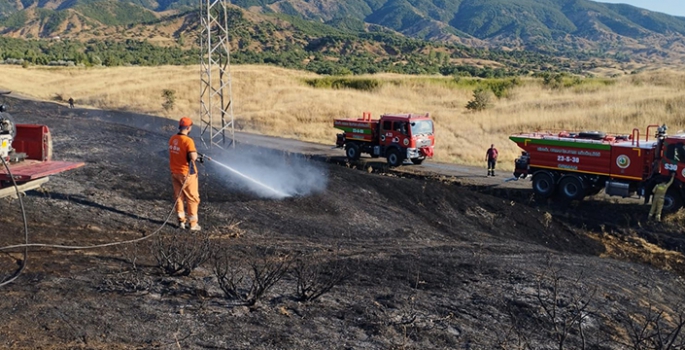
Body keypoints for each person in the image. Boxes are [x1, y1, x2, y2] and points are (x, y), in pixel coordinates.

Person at [169, 116, 208, 231]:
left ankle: (181, 221)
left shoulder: (173, 138)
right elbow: (192, 157)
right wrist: (198, 157)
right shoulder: (188, 141)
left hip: (174, 172)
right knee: (192, 198)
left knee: (178, 197)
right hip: (187, 174)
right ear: (189, 127)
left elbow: (180, 152)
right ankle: (193, 224)